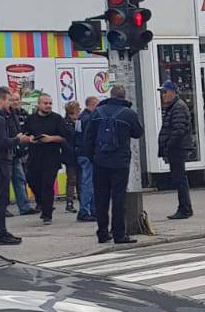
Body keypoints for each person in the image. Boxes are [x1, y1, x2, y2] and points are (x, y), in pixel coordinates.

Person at [85, 84, 143, 246]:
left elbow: (88, 138)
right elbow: (138, 133)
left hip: (100, 162)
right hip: (120, 162)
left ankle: (102, 232)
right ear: (124, 97)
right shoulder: (128, 114)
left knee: (101, 198)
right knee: (119, 198)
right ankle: (119, 234)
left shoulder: (97, 112)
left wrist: (93, 157)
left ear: (110, 95)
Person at [0, 87, 24, 246]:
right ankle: (2, 234)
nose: (10, 104)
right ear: (1, 100)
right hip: (0, 162)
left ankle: (3, 232)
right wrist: (17, 140)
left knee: (2, 199)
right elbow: (1, 142)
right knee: (1, 200)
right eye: (8, 100)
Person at [22, 93, 66, 224]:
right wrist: (29, 139)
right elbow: (24, 134)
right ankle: (41, 203)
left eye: (50, 103)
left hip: (51, 157)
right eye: (45, 103)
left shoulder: (57, 119)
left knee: (47, 185)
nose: (48, 106)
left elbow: (64, 137)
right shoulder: (31, 119)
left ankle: (47, 215)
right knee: (32, 181)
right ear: (38, 104)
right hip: (34, 156)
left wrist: (50, 139)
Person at [157, 80, 194, 220]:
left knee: (180, 179)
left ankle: (184, 208)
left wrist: (168, 145)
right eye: (162, 92)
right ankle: (184, 207)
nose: (163, 95)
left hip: (178, 148)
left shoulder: (178, 107)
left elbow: (179, 129)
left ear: (173, 92)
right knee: (179, 178)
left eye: (165, 92)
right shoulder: (173, 107)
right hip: (177, 147)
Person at [6, 86, 36, 215]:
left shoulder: (23, 113)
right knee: (4, 182)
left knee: (20, 178)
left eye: (17, 99)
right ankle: (3, 208)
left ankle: (24, 207)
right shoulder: (5, 115)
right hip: (7, 151)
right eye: (12, 99)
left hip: (21, 151)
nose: (15, 102)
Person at [74, 95, 98, 221]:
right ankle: (85, 210)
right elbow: (88, 138)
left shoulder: (80, 117)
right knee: (88, 183)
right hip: (87, 154)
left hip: (80, 153)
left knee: (87, 181)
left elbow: (77, 135)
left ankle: (91, 209)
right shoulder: (89, 118)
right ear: (92, 105)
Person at [60, 101, 81, 212]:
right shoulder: (65, 123)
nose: (79, 111)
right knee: (72, 179)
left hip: (78, 153)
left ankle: (82, 200)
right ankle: (69, 202)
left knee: (80, 179)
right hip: (70, 155)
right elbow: (65, 140)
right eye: (78, 109)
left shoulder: (78, 122)